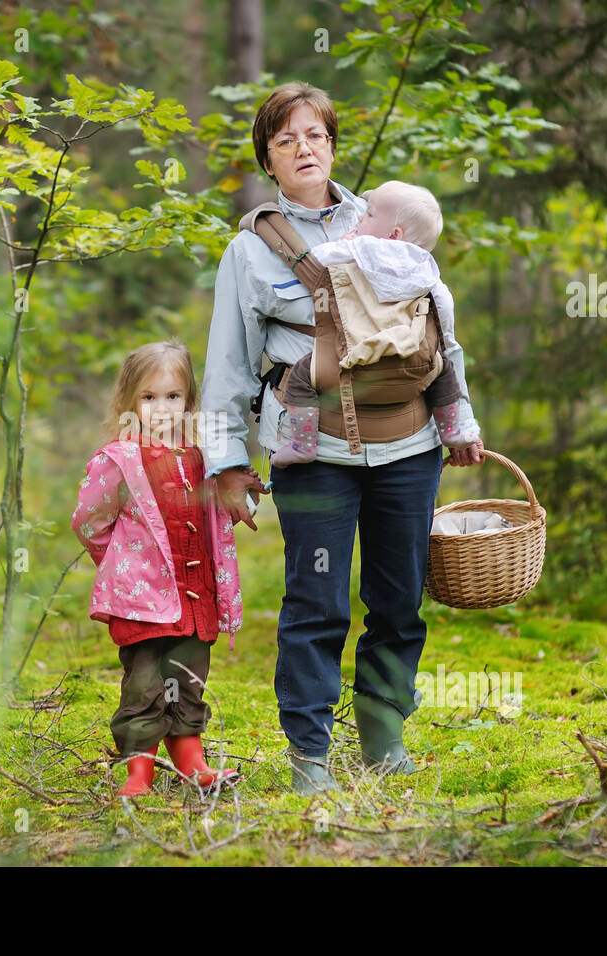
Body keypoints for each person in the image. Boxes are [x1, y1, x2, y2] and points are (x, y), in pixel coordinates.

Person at [199, 82, 485, 794]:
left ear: (333, 146)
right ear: (267, 157)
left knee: (397, 599)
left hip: (407, 447)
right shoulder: (250, 250)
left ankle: (384, 734)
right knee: (316, 602)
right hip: (313, 452)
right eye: (287, 138)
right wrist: (227, 464)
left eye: (316, 136)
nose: (304, 148)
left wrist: (460, 423)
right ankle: (311, 753)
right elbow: (226, 366)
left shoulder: (390, 220)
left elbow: (440, 332)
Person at [70, 340, 245, 797]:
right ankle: (138, 774)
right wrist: (123, 563)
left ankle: (194, 764)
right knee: (145, 683)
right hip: (142, 599)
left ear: (189, 400)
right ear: (130, 400)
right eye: (149, 398)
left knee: (187, 679)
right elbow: (89, 521)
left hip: (194, 593)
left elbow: (214, 515)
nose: (162, 408)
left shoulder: (202, 456)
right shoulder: (119, 461)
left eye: (173, 396)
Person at [271, 179, 481, 468]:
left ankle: (302, 443)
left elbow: (317, 262)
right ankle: (454, 429)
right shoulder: (424, 266)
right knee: (443, 370)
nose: (360, 216)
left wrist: (341, 243)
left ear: (394, 234)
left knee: (302, 376)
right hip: (409, 352)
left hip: (356, 349)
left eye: (369, 214)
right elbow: (443, 311)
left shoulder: (363, 249)